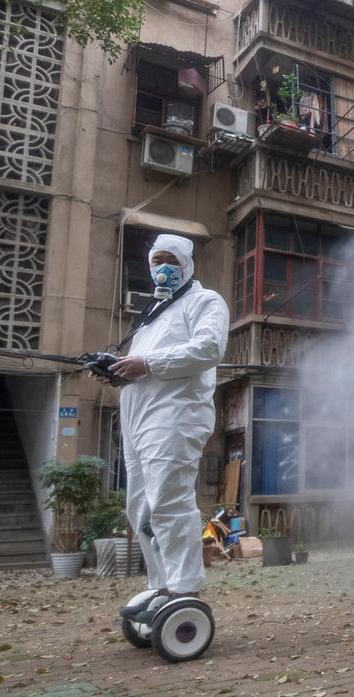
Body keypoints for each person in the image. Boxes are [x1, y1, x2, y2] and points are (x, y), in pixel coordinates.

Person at [108, 233, 229, 601]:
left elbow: (208, 349)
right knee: (141, 506)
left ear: (188, 264)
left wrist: (147, 363)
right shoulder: (150, 316)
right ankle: (160, 584)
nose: (163, 268)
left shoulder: (205, 302)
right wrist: (114, 370)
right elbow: (140, 368)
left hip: (175, 415)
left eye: (171, 260)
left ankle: (185, 589)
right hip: (138, 419)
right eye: (156, 260)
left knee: (168, 500)